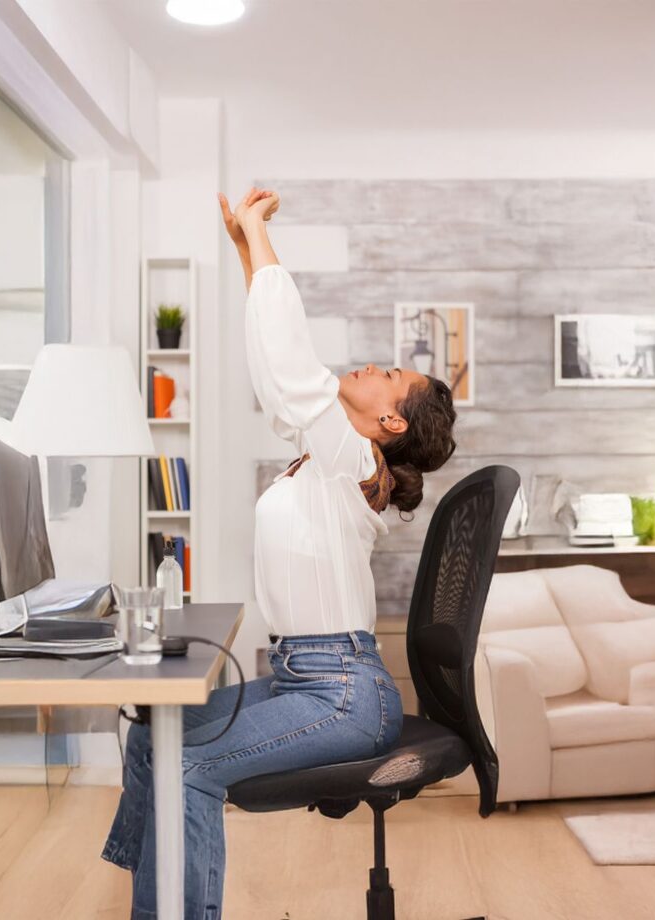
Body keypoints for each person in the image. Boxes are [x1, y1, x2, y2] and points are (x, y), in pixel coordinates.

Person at [101, 187, 459, 918]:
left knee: (186, 765)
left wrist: (261, 233)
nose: (367, 366)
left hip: (344, 694)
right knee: (152, 736)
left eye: (387, 373)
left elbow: (293, 373)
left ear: (389, 420)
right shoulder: (323, 458)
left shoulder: (358, 468)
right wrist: (245, 250)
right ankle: (155, 898)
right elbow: (277, 375)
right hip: (304, 679)